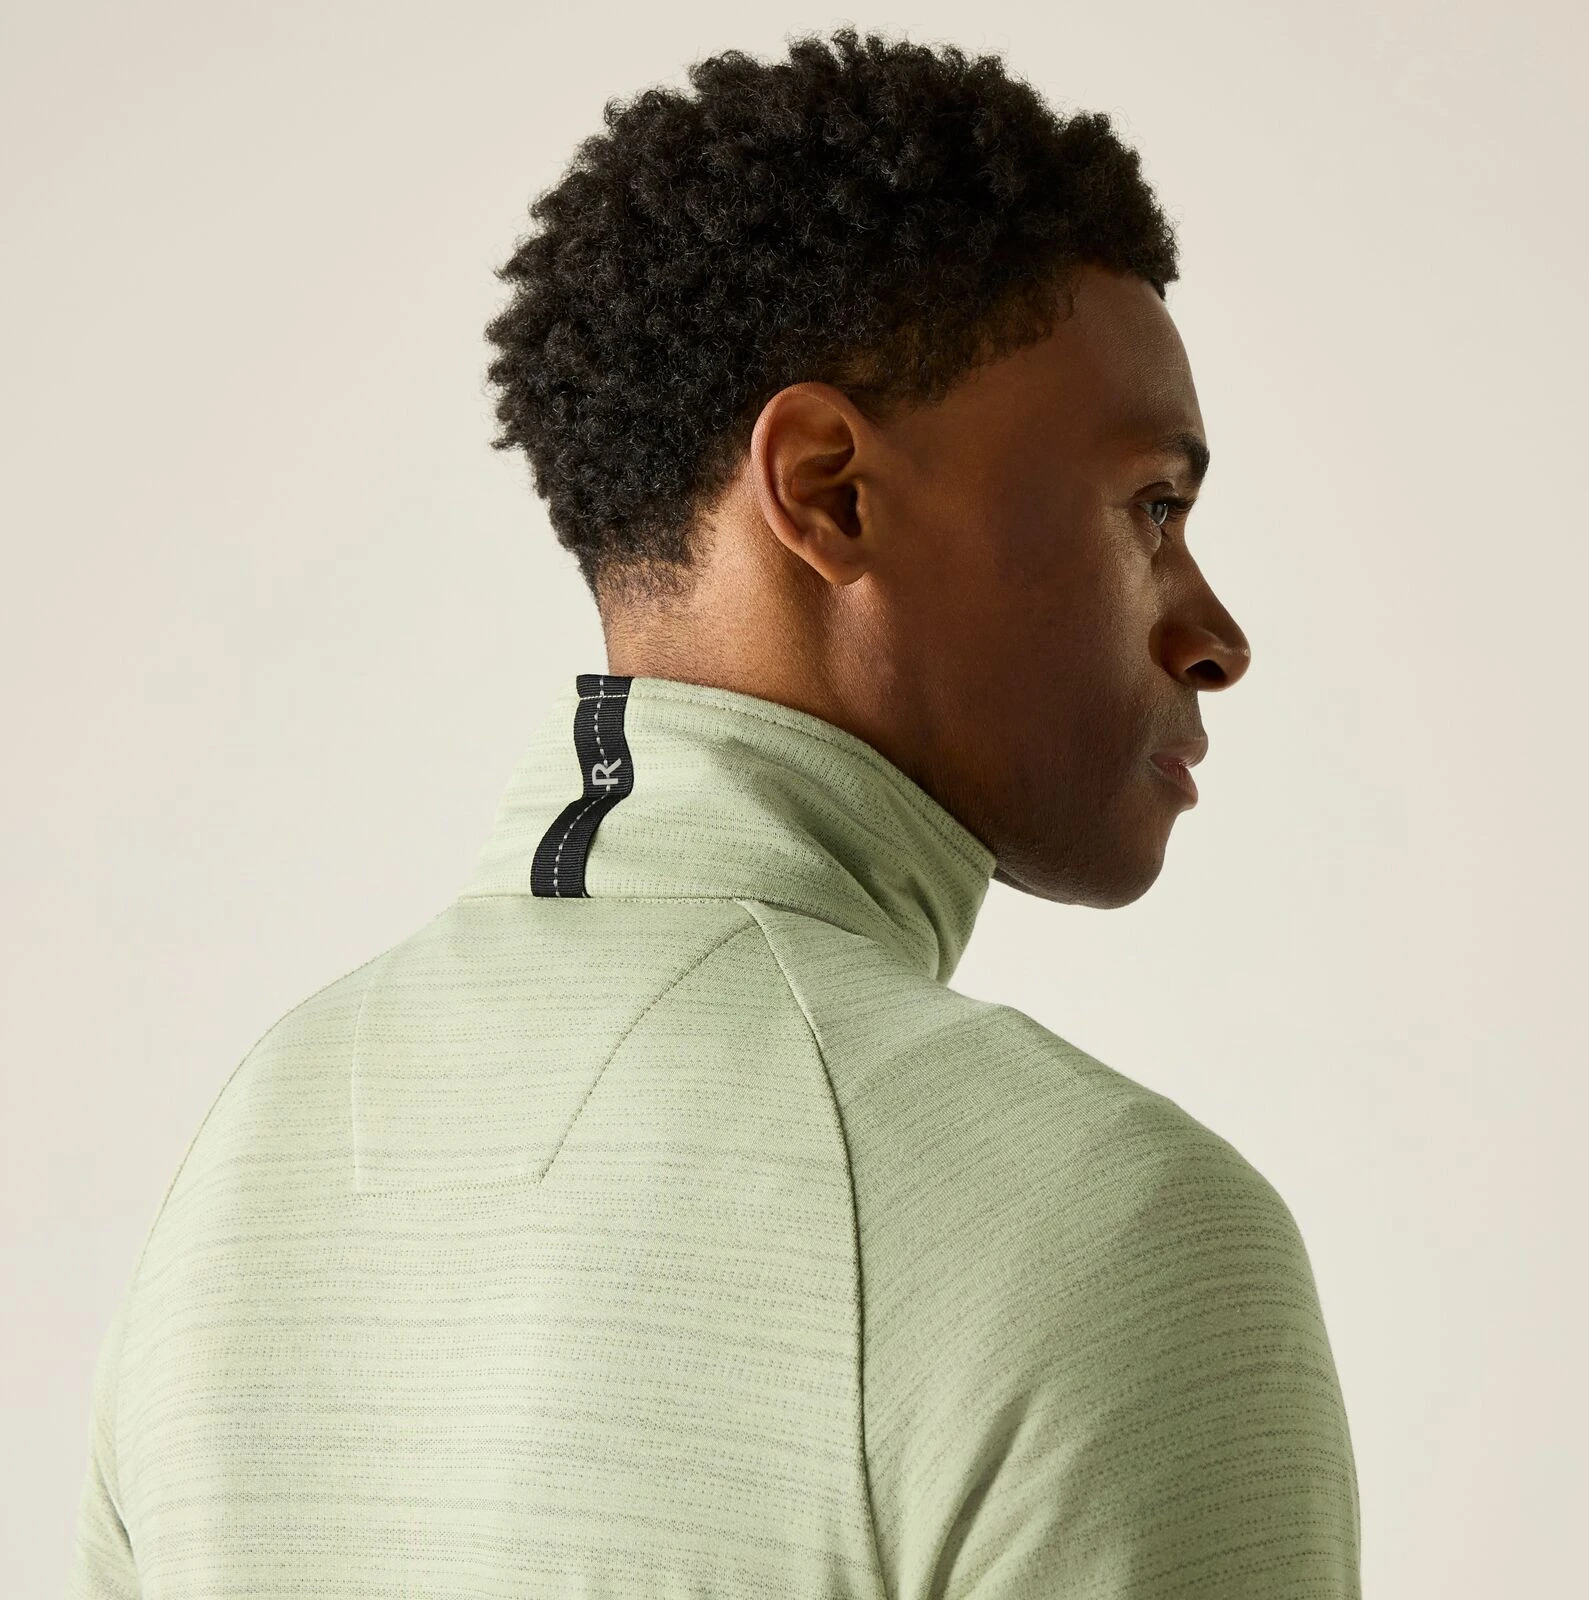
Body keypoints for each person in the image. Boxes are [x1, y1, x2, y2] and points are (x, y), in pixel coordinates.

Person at [67, 27, 1360, 1598]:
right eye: (1152, 505)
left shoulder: (244, 1167)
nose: (1215, 633)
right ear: (826, 488)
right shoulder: (1118, 1231)